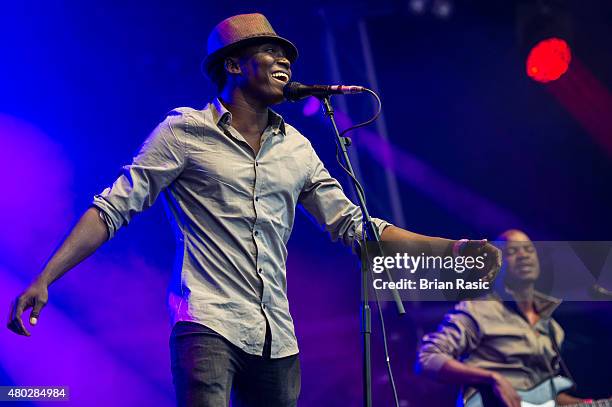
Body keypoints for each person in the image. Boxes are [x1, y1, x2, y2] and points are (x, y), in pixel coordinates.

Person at [7, 13, 500, 407]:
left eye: (287, 52)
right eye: (270, 50)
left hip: (278, 337)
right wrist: (45, 278)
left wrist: (451, 251)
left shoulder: (298, 149)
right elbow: (113, 207)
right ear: (234, 65)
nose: (284, 59)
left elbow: (355, 228)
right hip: (207, 322)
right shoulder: (183, 132)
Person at [416, 229, 595, 407]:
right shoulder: (478, 310)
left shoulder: (553, 329)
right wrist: (491, 378)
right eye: (512, 251)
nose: (523, 255)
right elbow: (428, 357)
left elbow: (548, 398)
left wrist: (590, 404)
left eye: (529, 249)